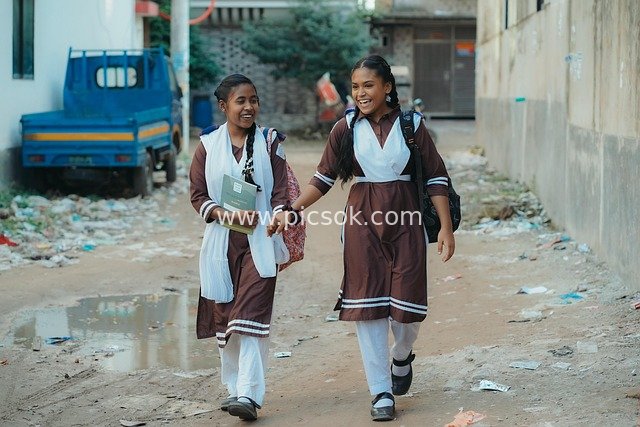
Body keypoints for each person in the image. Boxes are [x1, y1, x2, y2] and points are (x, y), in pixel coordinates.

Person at [269, 55, 455, 421]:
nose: (360, 93)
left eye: (368, 85)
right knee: (368, 308)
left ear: (387, 87)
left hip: (406, 220)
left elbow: (435, 176)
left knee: (407, 313)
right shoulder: (345, 128)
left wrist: (446, 228)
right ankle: (381, 391)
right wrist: (292, 209)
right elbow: (322, 178)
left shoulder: (411, 125)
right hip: (361, 222)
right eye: (355, 87)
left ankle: (402, 356)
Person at [190, 74, 290, 421]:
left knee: (250, 317)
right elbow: (198, 196)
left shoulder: (269, 142)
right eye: (241, 101)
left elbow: (280, 194)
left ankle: (248, 394)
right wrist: (220, 212)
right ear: (224, 106)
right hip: (221, 243)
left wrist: (278, 216)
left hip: (260, 240)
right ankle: (234, 388)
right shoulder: (208, 145)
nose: (249, 107)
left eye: (254, 100)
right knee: (226, 319)